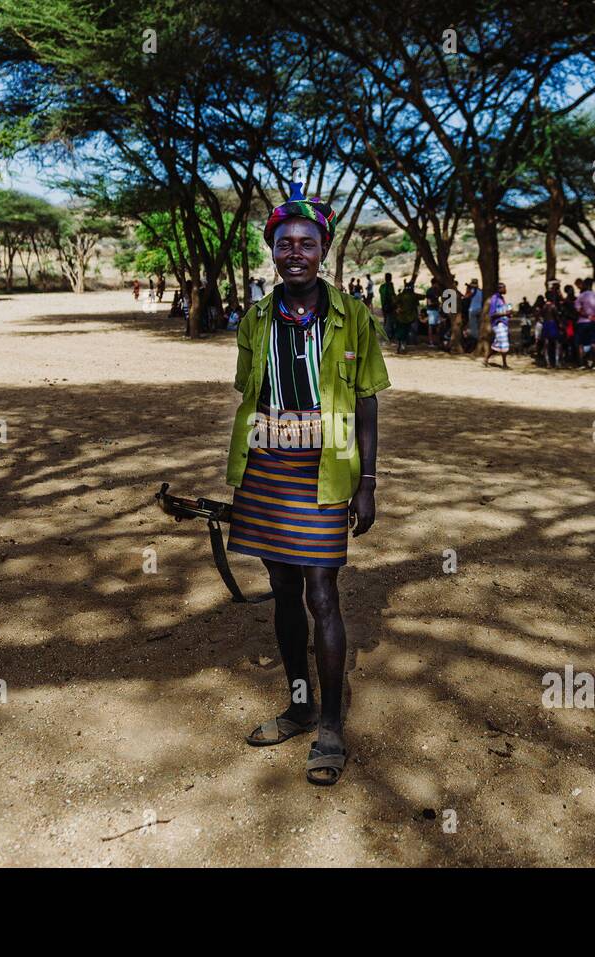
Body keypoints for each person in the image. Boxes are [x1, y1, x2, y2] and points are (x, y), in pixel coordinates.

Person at [227, 183, 390, 787]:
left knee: (322, 593)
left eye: (309, 242)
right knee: (281, 587)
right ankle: (297, 704)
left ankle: (330, 725)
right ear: (272, 249)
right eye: (285, 242)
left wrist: (368, 482)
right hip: (269, 466)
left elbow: (367, 401)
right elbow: (251, 398)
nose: (296, 252)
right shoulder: (254, 319)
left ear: (324, 250)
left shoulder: (354, 318)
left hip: (326, 468)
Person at [573, 277, 595, 369]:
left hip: (582, 322)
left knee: (581, 343)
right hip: (594, 322)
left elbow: (578, 310)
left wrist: (587, 316)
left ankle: (582, 363)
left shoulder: (581, 296)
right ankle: (593, 364)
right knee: (594, 342)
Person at [484, 282, 512, 368]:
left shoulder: (501, 298)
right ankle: (504, 364)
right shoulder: (495, 298)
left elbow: (502, 310)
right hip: (498, 323)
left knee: (497, 344)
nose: (505, 290)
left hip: (503, 323)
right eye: (504, 288)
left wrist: (508, 313)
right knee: (504, 343)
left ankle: (486, 359)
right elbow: (492, 314)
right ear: (499, 289)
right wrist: (504, 314)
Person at [378, 272, 397, 338]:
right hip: (390, 306)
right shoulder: (390, 286)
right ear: (390, 278)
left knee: (386, 319)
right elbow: (392, 296)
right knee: (391, 320)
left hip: (383, 305)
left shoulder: (382, 286)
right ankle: (390, 334)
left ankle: (385, 333)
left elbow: (381, 293)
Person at [424, 280, 442, 348]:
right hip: (431, 310)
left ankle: (437, 341)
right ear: (434, 283)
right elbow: (429, 303)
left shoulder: (437, 290)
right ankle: (431, 342)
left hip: (436, 310)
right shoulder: (429, 291)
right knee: (431, 326)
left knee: (438, 325)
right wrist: (438, 304)